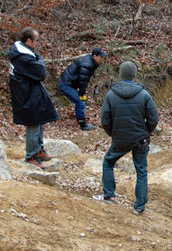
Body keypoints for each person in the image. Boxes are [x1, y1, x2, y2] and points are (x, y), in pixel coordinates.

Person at [98, 61, 159, 215]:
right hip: (140, 139)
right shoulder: (144, 94)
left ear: (121, 74)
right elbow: (153, 118)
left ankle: (109, 195)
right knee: (141, 170)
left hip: (120, 138)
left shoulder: (111, 95)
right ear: (134, 75)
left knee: (108, 162)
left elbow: (105, 120)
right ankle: (139, 206)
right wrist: (146, 132)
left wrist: (114, 133)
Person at [8, 26, 60, 169]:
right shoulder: (23, 58)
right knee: (33, 123)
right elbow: (41, 72)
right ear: (29, 40)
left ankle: (39, 150)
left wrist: (39, 60)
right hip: (26, 95)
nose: (37, 43)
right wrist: (40, 61)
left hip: (30, 91)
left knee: (40, 120)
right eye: (36, 40)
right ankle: (31, 155)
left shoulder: (23, 53)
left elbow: (39, 63)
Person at [59, 48, 107, 130]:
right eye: (101, 57)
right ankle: (83, 124)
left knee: (80, 102)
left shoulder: (91, 61)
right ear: (95, 56)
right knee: (80, 102)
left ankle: (79, 118)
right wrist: (82, 93)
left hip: (69, 82)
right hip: (66, 84)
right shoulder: (87, 64)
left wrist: (82, 92)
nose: (102, 59)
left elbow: (84, 80)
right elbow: (83, 81)